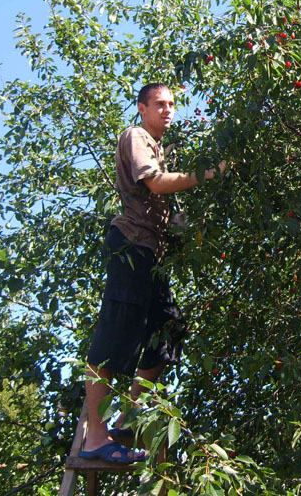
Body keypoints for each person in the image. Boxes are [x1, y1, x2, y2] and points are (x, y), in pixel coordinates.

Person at [78, 83, 227, 463]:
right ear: (142, 108)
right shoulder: (136, 136)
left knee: (170, 329)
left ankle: (128, 419)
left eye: (172, 104)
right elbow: (157, 184)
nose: (168, 110)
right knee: (115, 335)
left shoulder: (160, 149)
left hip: (152, 253)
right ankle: (95, 437)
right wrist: (209, 173)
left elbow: (160, 206)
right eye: (159, 104)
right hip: (131, 247)